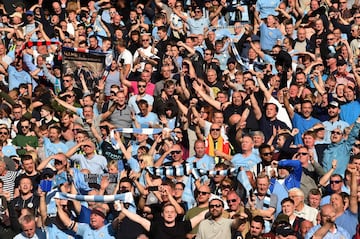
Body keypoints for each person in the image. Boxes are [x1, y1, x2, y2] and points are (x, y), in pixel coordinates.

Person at [120, 202, 207, 239]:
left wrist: (218, 205)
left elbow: (201, 216)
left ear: (176, 214)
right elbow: (139, 219)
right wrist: (123, 210)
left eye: (172, 212)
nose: (169, 214)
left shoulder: (183, 226)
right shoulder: (155, 227)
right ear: (162, 214)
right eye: (167, 212)